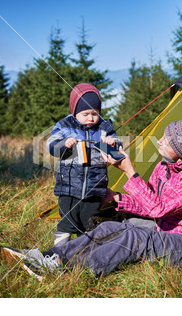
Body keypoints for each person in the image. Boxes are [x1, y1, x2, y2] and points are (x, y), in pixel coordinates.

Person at [2, 119, 182, 279]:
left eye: (167, 140)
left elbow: (157, 209)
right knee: (111, 228)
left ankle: (69, 270)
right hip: (165, 229)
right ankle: (47, 256)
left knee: (135, 237)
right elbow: (149, 201)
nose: (159, 141)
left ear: (181, 149)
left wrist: (129, 171)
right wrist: (117, 198)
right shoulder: (164, 167)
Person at [47, 83, 121, 246]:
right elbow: (51, 146)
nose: (91, 118)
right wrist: (64, 143)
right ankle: (59, 251)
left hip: (95, 187)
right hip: (68, 187)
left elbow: (116, 149)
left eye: (95, 113)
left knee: (90, 223)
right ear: (74, 112)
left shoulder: (104, 127)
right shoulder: (65, 125)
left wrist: (111, 143)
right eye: (85, 113)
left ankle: (84, 253)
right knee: (67, 222)